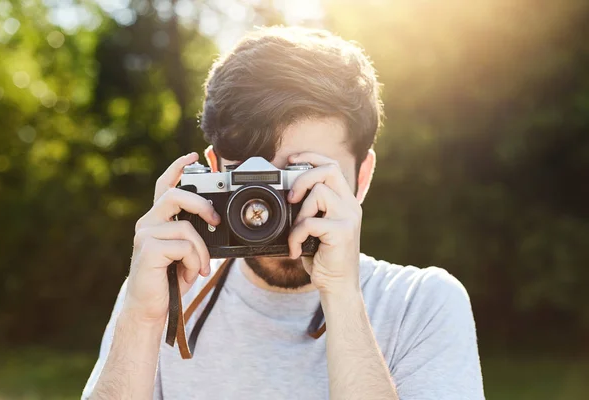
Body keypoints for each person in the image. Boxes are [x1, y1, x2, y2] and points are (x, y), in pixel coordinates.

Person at [82, 26, 484, 399]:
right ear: (214, 173)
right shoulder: (166, 292)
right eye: (253, 181)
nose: (268, 209)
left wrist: (341, 293)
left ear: (361, 177)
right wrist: (143, 318)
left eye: (304, 176)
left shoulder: (421, 304)